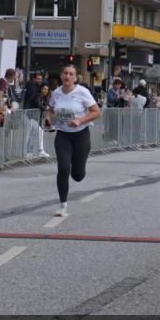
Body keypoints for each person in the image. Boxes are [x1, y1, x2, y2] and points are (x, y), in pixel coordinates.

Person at [46, 64, 101, 217]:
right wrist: (48, 119)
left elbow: (97, 111)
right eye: (65, 73)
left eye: (71, 74)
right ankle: (63, 205)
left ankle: (79, 167)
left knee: (78, 175)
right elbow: (50, 110)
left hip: (81, 135)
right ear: (61, 75)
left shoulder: (82, 92)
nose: (67, 76)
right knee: (63, 168)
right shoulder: (56, 93)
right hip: (63, 134)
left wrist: (80, 121)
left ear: (75, 77)